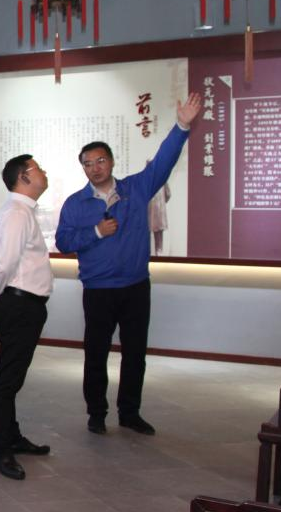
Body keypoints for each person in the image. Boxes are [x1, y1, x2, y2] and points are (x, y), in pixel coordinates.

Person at [56, 93, 201, 436]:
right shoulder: (75, 204)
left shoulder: (136, 189)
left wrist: (181, 126)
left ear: (111, 161)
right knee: (96, 354)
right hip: (98, 290)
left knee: (135, 354)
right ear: (83, 168)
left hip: (135, 286)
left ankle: (130, 412)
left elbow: (163, 163)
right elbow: (63, 242)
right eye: (88, 163)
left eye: (100, 160)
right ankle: (96, 413)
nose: (95, 167)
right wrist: (95, 232)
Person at [0, 155, 55, 481]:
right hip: (18, 305)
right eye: (38, 168)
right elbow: (4, 264)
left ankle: (12, 435)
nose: (44, 172)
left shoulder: (23, 211)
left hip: (27, 305)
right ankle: (1, 449)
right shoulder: (17, 214)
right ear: (23, 177)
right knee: (8, 379)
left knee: (14, 376)